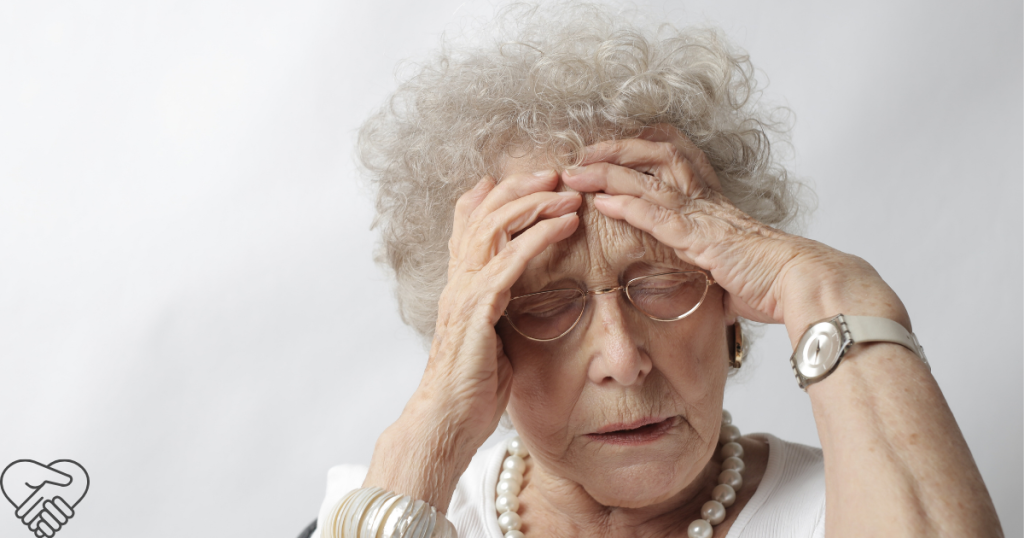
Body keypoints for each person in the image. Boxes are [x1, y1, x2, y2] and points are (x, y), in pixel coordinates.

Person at [311, 3, 1002, 537]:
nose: (622, 357)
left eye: (663, 283)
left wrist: (832, 288)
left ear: (731, 297)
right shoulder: (391, 510)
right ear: (484, 348)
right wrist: (427, 436)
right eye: (550, 304)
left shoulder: (854, 503)